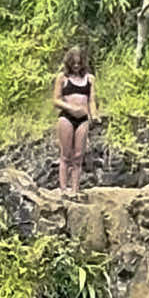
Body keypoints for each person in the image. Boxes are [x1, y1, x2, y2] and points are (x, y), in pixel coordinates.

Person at [52, 47, 98, 199]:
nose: (76, 66)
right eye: (74, 63)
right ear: (69, 63)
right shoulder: (62, 78)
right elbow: (56, 100)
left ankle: (75, 189)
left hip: (83, 119)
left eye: (79, 63)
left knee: (78, 155)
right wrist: (71, 108)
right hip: (66, 117)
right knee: (66, 154)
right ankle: (63, 188)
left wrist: (94, 115)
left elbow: (91, 100)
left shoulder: (90, 79)